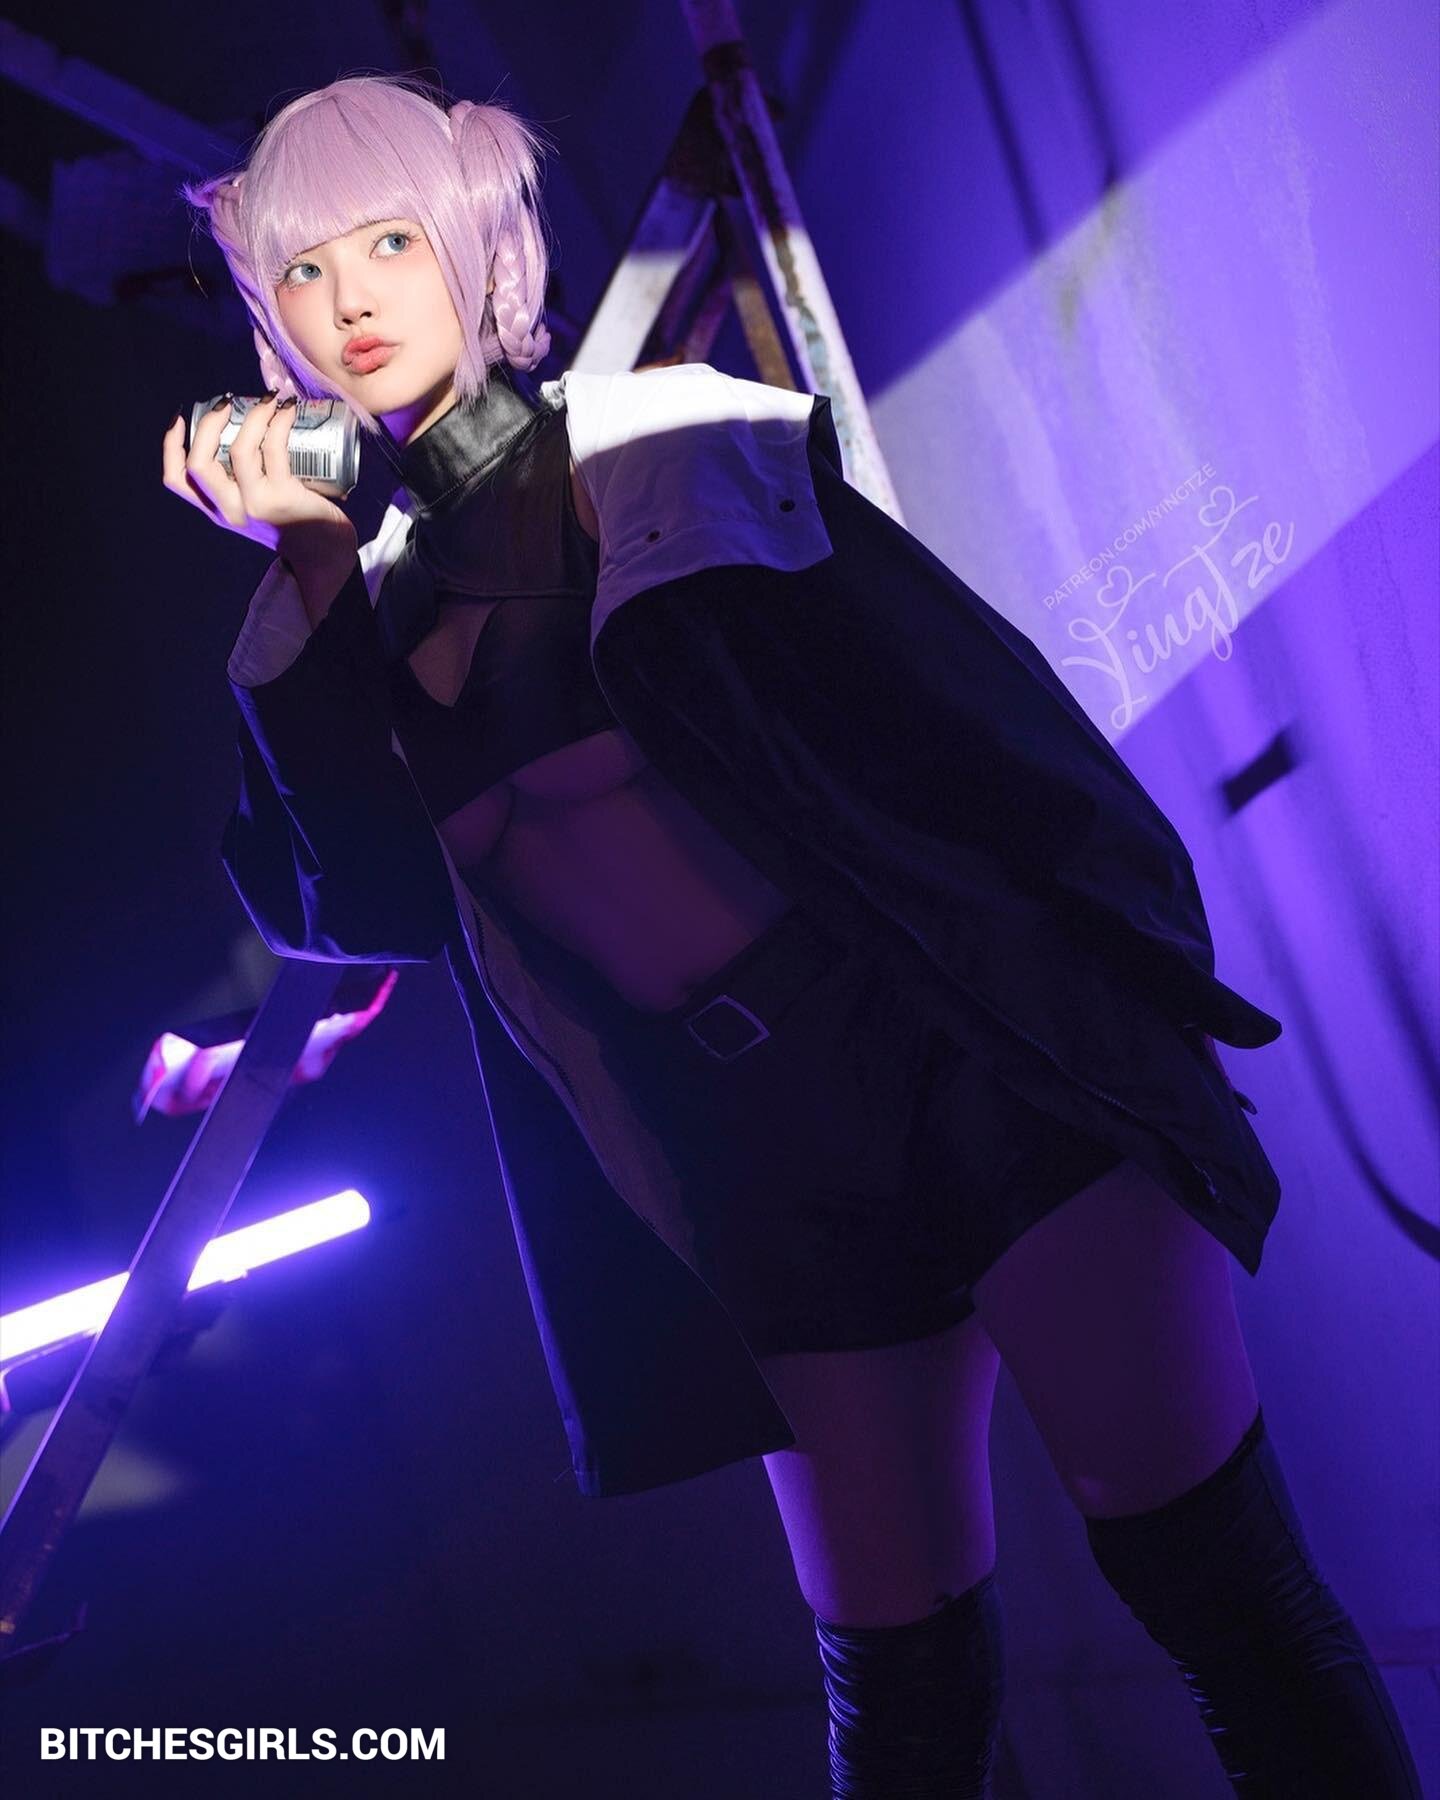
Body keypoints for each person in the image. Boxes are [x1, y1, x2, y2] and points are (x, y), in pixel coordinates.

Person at [160, 73, 1422, 1799]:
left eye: (386, 243)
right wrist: (303, 582)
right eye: (304, 271)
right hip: (758, 1171)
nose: (351, 300)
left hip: (965, 1061)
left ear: (470, 239)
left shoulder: (666, 452)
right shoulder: (358, 610)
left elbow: (972, 713)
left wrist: (1136, 995)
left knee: (1220, 1593)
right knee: (898, 1702)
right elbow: (357, 906)